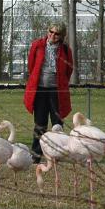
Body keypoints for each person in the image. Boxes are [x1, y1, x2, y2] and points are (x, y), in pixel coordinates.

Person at [23, 23, 75, 163]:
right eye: (50, 32)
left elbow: (69, 69)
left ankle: (58, 154)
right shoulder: (37, 45)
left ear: (61, 36)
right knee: (40, 123)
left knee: (57, 123)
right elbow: (31, 65)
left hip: (56, 91)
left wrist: (61, 82)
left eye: (56, 33)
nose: (52, 35)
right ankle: (36, 155)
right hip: (40, 89)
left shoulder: (65, 50)